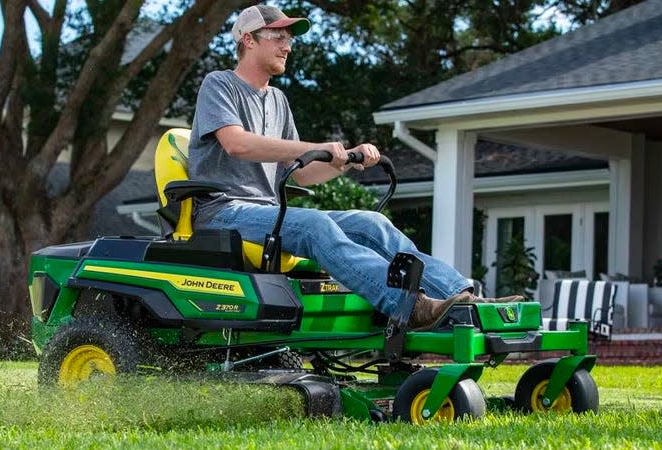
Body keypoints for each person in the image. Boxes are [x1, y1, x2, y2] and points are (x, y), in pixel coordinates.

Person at [187, 4, 521, 330]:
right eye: (278, 37)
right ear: (248, 40)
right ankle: (408, 305)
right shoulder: (219, 84)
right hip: (222, 213)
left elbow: (301, 172)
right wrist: (318, 148)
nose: (288, 46)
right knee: (315, 227)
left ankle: (459, 299)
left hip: (265, 213)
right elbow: (237, 143)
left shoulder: (277, 100)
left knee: (371, 223)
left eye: (290, 38)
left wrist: (344, 159)